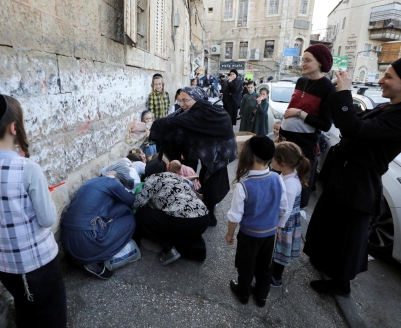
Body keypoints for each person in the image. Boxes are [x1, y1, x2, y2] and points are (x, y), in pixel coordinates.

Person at [304, 56, 401, 296]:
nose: (381, 80)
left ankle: (340, 284)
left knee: (347, 238)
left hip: (359, 183)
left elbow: (355, 129)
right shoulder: (391, 107)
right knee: (330, 226)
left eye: (389, 76)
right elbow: (350, 122)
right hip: (344, 176)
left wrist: (345, 93)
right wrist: (338, 94)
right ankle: (325, 263)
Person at [0, 94, 66, 328]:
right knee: (52, 317)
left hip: (6, 267)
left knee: (25, 312)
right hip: (40, 265)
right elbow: (47, 218)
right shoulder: (27, 168)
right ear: (14, 127)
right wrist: (48, 198)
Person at [133, 86, 236, 226]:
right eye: (179, 100)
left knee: (212, 186)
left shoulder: (205, 112)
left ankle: (208, 216)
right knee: (207, 182)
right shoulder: (198, 110)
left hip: (218, 156)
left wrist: (146, 127)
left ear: (197, 99)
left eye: (185, 100)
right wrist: (148, 127)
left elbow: (175, 122)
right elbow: (173, 119)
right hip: (212, 156)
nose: (181, 104)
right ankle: (208, 212)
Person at [225, 136, 289, 308]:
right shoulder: (277, 179)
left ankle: (243, 293)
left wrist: (230, 233)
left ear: (251, 156)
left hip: (249, 236)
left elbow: (235, 216)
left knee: (246, 266)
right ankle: (261, 297)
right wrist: (277, 225)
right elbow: (283, 208)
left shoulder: (244, 185)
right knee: (265, 266)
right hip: (269, 235)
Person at [280, 44, 336, 208]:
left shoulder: (328, 88)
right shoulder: (301, 81)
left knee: (299, 183)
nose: (303, 63)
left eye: (308, 60)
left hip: (304, 144)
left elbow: (325, 124)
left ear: (320, 62)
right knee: (282, 179)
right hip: (286, 140)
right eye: (303, 60)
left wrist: (299, 113)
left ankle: (293, 219)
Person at [61, 169, 137, 280]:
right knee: (130, 221)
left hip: (66, 238)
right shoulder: (113, 183)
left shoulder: (91, 182)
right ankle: (95, 261)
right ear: (117, 178)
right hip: (86, 239)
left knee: (122, 209)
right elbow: (132, 200)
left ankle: (89, 257)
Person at [134, 158, 209, 264]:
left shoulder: (151, 180)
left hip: (183, 222)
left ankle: (168, 249)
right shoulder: (175, 176)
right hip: (203, 219)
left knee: (140, 214)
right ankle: (197, 251)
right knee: (181, 222)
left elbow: (137, 203)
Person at [270, 142, 310, 287]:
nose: (271, 161)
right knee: (278, 248)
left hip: (285, 222)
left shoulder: (290, 184)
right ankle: (273, 272)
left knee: (281, 248)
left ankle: (275, 277)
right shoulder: (288, 175)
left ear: (283, 163)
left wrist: (279, 225)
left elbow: (286, 209)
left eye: (273, 159)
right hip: (284, 220)